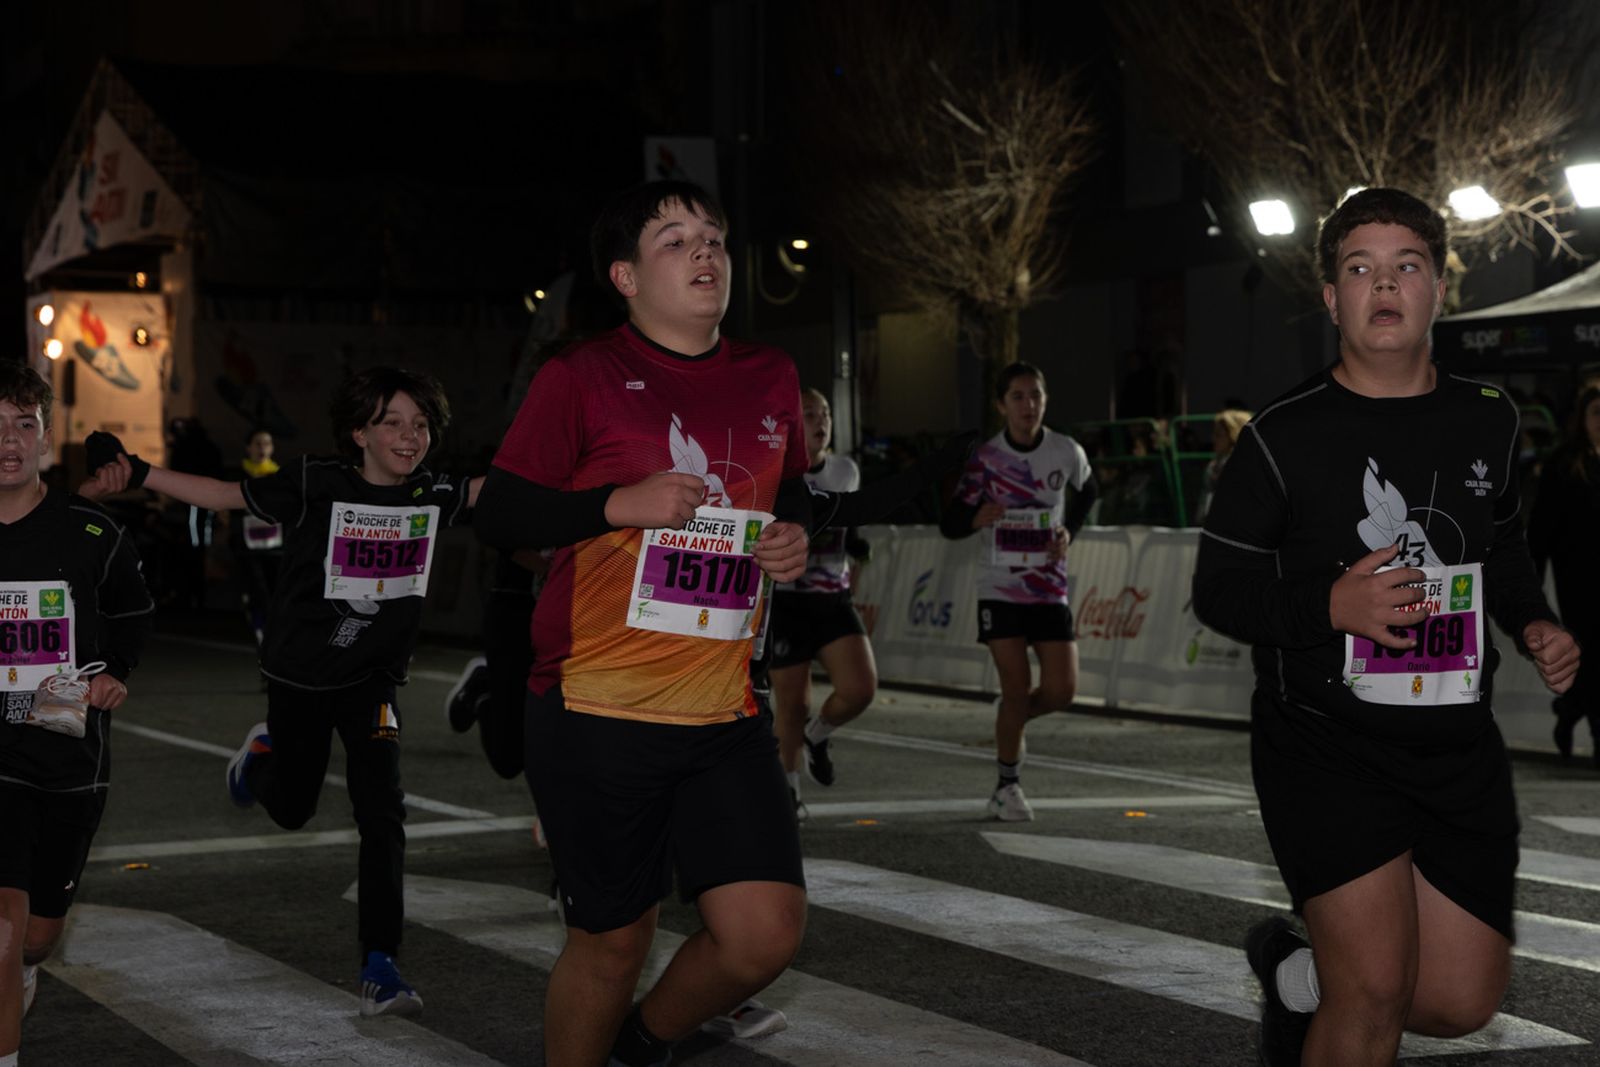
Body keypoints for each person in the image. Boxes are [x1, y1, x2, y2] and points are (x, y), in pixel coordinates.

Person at [1192, 188, 1580, 1067]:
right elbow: (1220, 590)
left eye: (1406, 266)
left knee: (1455, 999)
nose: (1384, 285)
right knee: (1371, 994)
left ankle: (1299, 977)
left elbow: (1503, 543)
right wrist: (1330, 605)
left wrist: (1532, 622)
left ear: (1439, 288)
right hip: (1323, 745)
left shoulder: (1488, 413)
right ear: (1331, 298)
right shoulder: (1282, 437)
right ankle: (1334, 987)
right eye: (1360, 269)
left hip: (1454, 747)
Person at [472, 179, 812, 1067]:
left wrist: (792, 538)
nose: (704, 253)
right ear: (624, 275)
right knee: (614, 942)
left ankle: (641, 1043)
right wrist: (619, 503)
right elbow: (503, 511)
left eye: (714, 237)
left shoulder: (771, 374)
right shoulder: (580, 376)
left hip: (725, 709)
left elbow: (794, 492)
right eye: (675, 240)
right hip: (597, 710)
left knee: (763, 934)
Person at [86, 368, 482, 1019]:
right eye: (392, 421)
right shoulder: (315, 481)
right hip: (300, 677)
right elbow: (220, 492)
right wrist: (138, 470)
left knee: (382, 809)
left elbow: (511, 490)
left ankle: (380, 962)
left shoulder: (431, 492)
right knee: (293, 808)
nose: (410, 436)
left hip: (372, 681)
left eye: (421, 424)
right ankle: (260, 758)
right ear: (359, 431)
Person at [0, 362, 152, 1062]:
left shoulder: (89, 531)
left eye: (23, 424)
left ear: (46, 436)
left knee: (35, 936)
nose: (9, 441)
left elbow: (133, 613)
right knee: (2, 928)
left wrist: (115, 673)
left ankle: (26, 966)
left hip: (66, 757)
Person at [939, 363, 1096, 822]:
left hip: (1048, 588)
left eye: (1036, 396)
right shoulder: (985, 459)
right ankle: (1007, 786)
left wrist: (1070, 530)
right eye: (1019, 397)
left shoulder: (1065, 450)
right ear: (1002, 405)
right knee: (1017, 686)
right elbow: (949, 524)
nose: (1029, 406)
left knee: (1063, 690)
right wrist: (976, 518)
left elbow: (1089, 491)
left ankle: (1010, 715)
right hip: (1000, 588)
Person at [769, 387, 876, 812]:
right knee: (792, 704)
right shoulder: (776, 474)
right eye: (809, 413)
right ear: (793, 424)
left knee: (861, 690)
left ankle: (819, 734)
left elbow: (855, 531)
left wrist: (860, 550)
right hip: (787, 600)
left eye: (826, 413)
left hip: (833, 598)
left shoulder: (846, 471)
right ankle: (790, 789)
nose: (820, 421)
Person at [1528, 379, 1600, 765]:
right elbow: (1541, 531)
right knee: (1590, 653)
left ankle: (1570, 710)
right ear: (1583, 419)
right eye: (1596, 413)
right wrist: (1531, 588)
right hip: (1581, 579)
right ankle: (1585, 721)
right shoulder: (1565, 464)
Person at [229, 428, 283, 652]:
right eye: (258, 443)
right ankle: (264, 641)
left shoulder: (281, 476)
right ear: (248, 447)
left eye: (267, 443)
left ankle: (274, 645)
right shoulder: (236, 476)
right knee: (257, 598)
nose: (262, 448)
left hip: (277, 550)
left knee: (276, 598)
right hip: (247, 550)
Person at [1196, 407, 1251, 523]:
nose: (1213, 439)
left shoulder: (1243, 466)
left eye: (1219, 435)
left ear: (1233, 436)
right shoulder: (1215, 464)